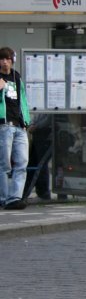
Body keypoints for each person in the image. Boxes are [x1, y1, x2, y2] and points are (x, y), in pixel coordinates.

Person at [0, 46, 30, 209]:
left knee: (22, 162)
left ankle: (15, 197)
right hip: (4, 125)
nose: (5, 62)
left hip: (19, 125)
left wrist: (26, 121)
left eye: (7, 59)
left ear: (12, 60)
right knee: (4, 164)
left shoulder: (16, 77)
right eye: (2, 59)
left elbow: (23, 100)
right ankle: (3, 197)